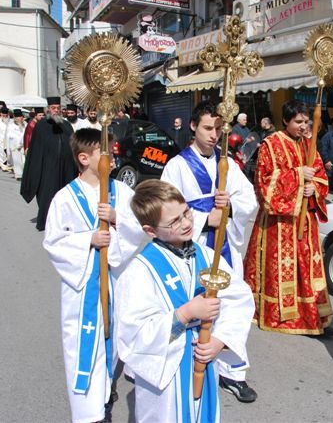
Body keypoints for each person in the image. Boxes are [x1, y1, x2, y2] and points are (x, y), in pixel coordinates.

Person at [115, 179, 254, 423]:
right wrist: (185, 313)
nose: (187, 223)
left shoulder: (206, 255)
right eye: (174, 222)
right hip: (166, 375)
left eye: (186, 213)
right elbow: (133, 333)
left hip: (204, 355)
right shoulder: (139, 270)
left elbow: (238, 297)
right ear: (150, 231)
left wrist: (220, 341)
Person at [43, 128, 145, 423]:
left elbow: (139, 229)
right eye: (105, 152)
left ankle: (104, 393)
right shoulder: (64, 198)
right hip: (83, 287)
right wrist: (88, 239)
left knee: (112, 340)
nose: (112, 157)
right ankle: (89, 412)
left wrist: (117, 219)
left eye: (112, 150)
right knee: (84, 345)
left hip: (116, 280)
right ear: (84, 158)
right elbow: (53, 242)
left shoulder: (121, 192)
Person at [161, 101, 258, 403]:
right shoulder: (176, 166)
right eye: (207, 128)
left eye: (218, 129)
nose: (214, 134)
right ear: (192, 126)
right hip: (195, 247)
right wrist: (205, 218)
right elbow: (166, 208)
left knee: (231, 305)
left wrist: (229, 207)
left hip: (225, 248)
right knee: (199, 307)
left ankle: (232, 373)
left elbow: (249, 201)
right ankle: (192, 363)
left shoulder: (227, 163)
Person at [244, 100, 333, 336]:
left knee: (307, 267)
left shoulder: (310, 144)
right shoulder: (270, 144)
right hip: (279, 224)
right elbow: (263, 183)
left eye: (306, 121)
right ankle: (280, 315)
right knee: (282, 268)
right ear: (285, 121)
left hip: (305, 222)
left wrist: (313, 189)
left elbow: (322, 177)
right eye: (298, 121)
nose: (303, 126)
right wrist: (297, 176)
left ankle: (313, 317)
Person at [20, 96, 77, 231]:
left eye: (58, 108)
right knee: (48, 196)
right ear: (48, 110)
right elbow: (35, 151)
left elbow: (73, 146)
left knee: (65, 197)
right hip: (47, 170)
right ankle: (47, 221)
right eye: (53, 108)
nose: (56, 111)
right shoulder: (41, 127)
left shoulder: (67, 126)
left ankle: (64, 221)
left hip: (65, 170)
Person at [6, 109, 26, 180]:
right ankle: (18, 175)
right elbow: (9, 137)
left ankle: (25, 174)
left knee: (24, 161)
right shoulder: (11, 126)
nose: (20, 118)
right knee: (17, 161)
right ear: (15, 118)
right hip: (15, 146)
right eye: (18, 117)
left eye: (21, 117)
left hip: (24, 146)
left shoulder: (25, 125)